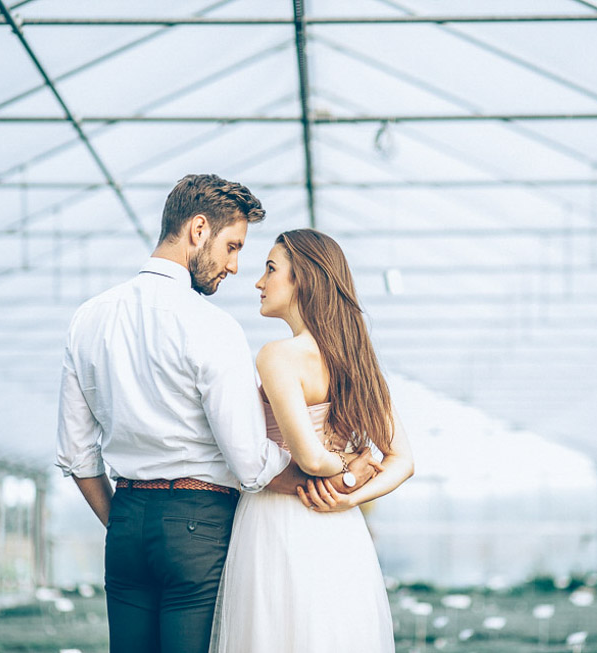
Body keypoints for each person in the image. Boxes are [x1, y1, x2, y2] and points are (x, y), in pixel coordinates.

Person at [55, 175, 378, 653]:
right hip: (197, 522)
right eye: (232, 246)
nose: (233, 266)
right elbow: (249, 460)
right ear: (198, 229)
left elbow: (77, 455)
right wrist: (326, 482)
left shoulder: (89, 318)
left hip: (124, 519)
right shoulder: (211, 326)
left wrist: (124, 522)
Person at [210, 228, 416, 653]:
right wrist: (349, 495)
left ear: (302, 278)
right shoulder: (356, 359)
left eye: (270, 269)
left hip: (277, 520)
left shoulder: (277, 355)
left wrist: (340, 473)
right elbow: (403, 460)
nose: (258, 282)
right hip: (339, 527)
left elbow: (307, 455)